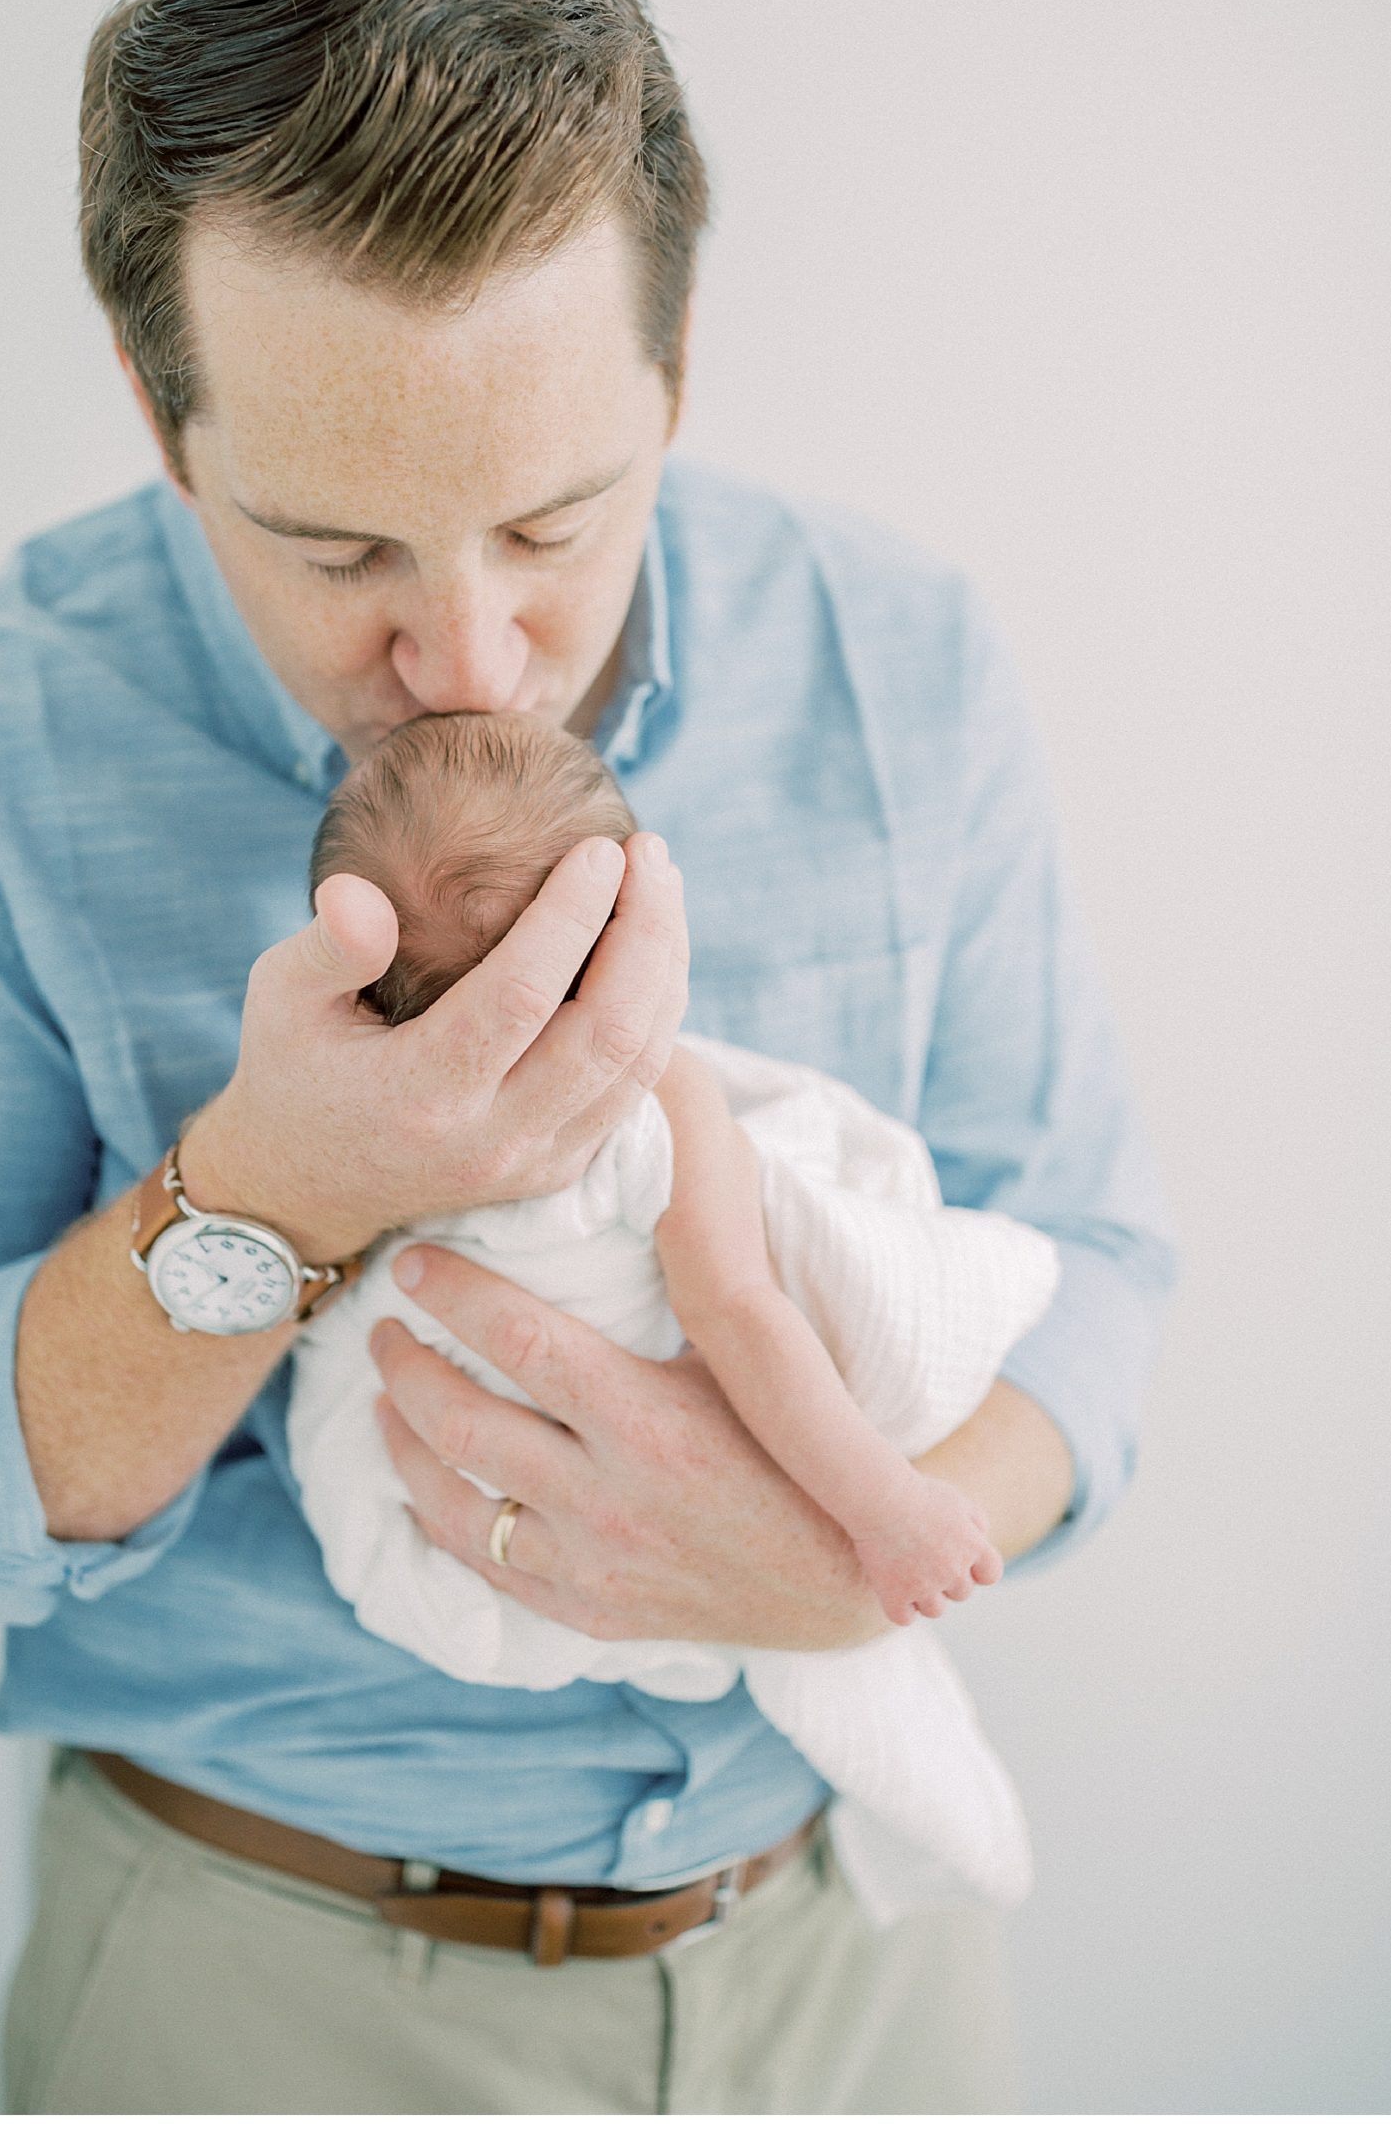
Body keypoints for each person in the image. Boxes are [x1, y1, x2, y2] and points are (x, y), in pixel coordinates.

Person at [0, 0, 1175, 2115]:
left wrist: (855, 1558)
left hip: (858, 1970)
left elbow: (1089, 1260)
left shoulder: (900, 664)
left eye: (552, 524)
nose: (471, 657)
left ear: (676, 361)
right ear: (155, 402)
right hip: (260, 1988)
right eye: (335, 548)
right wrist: (273, 1202)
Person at [287, 707, 1060, 1923]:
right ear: (627, 941)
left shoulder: (369, 1127)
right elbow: (745, 1317)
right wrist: (884, 1505)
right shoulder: (660, 1109)